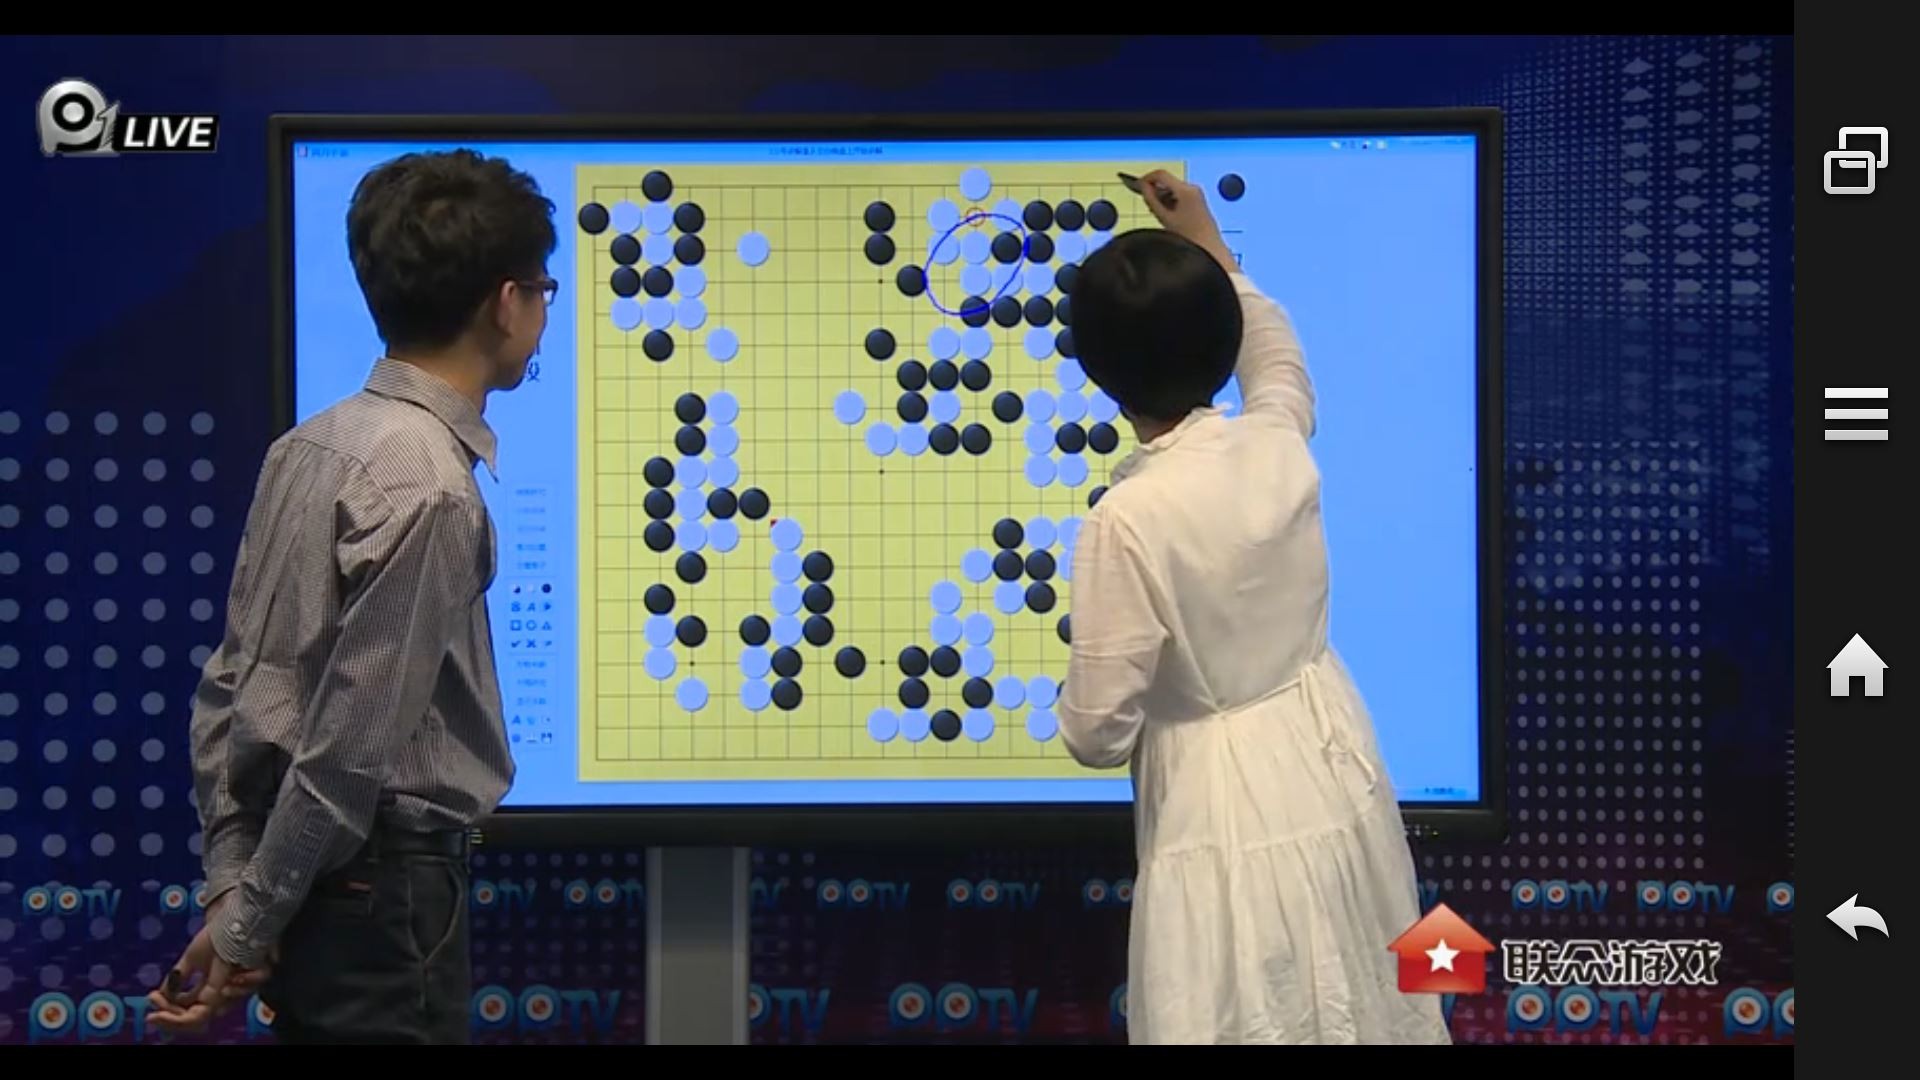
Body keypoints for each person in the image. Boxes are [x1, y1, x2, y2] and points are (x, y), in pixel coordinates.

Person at [147, 149, 556, 1044]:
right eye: (543, 290)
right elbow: (345, 758)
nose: (541, 313)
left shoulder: (306, 446)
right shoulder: (432, 488)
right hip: (383, 900)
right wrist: (247, 925)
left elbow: (228, 689)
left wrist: (235, 892)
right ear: (506, 302)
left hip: (318, 887)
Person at [1057, 171, 1451, 1046]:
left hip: (1218, 806)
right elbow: (1275, 355)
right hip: (1332, 756)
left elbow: (1097, 734)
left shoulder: (1126, 519)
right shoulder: (1277, 438)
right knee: (1364, 987)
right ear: (1221, 341)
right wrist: (1206, 239)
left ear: (1099, 371)